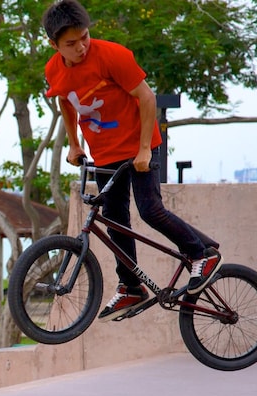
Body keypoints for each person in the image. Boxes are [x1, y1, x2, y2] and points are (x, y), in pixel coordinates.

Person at [42, 0, 222, 322]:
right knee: (113, 219)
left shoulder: (112, 56)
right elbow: (66, 104)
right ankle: (131, 287)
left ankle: (199, 254)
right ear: (54, 45)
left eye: (84, 37)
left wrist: (143, 151)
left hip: (140, 147)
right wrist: (73, 144)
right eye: (71, 43)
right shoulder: (54, 69)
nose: (81, 46)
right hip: (105, 154)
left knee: (150, 210)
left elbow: (147, 97)